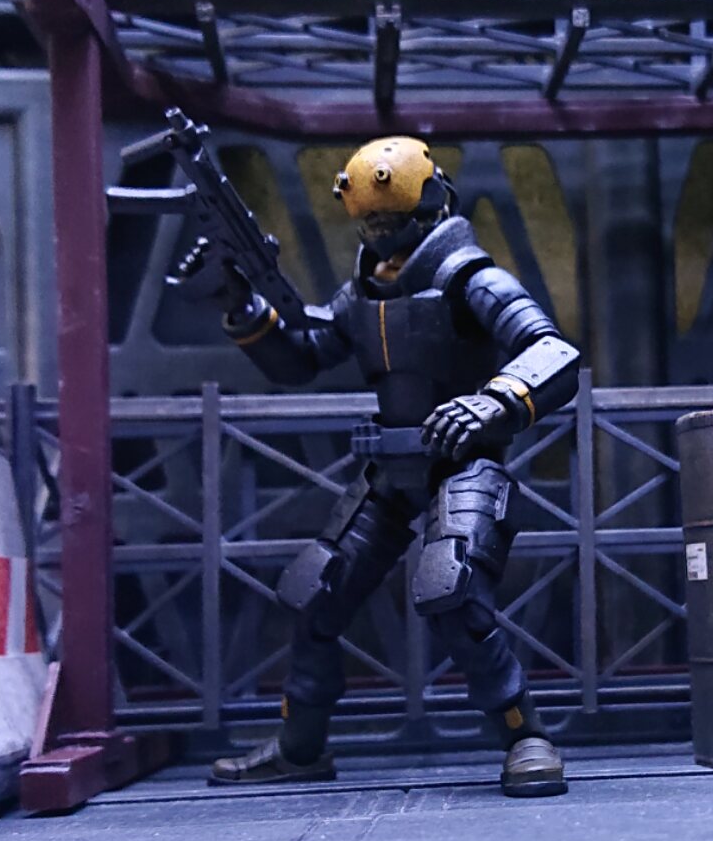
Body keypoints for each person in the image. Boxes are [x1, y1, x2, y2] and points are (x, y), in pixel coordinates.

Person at [172, 136, 579, 798]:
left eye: (392, 222)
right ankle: (300, 748)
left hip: (463, 462)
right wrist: (238, 305)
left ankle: (524, 736)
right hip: (390, 471)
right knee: (316, 592)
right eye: (371, 224)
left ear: (432, 207)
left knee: (453, 595)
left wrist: (493, 400)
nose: (381, 236)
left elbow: (551, 349)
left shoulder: (472, 280)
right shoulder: (361, 291)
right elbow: (302, 357)